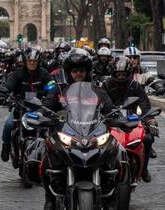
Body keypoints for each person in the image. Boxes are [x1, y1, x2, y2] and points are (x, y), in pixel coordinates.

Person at [40, 49, 115, 210]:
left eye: (82, 70)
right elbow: (46, 107)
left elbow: (110, 108)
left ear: (87, 71)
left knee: (116, 150)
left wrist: (117, 116)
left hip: (93, 133)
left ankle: (111, 195)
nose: (78, 74)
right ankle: (50, 197)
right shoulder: (58, 90)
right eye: (74, 71)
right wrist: (41, 114)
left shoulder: (98, 90)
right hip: (66, 133)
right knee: (46, 157)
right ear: (69, 72)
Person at [102, 56, 155, 182]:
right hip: (110, 120)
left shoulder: (135, 85)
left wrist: (149, 119)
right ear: (113, 73)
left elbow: (145, 104)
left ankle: (144, 169)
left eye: (123, 74)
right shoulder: (106, 85)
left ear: (129, 73)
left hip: (132, 119)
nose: (120, 77)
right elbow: (99, 103)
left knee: (147, 139)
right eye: (118, 74)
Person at [0, 47, 53, 162]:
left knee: (51, 127)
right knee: (9, 124)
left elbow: (51, 85)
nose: (32, 63)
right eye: (30, 61)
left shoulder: (44, 73)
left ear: (38, 62)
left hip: (40, 107)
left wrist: (49, 91)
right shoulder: (18, 74)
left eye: (34, 61)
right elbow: (9, 85)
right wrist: (4, 94)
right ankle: (6, 146)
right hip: (21, 107)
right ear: (25, 61)